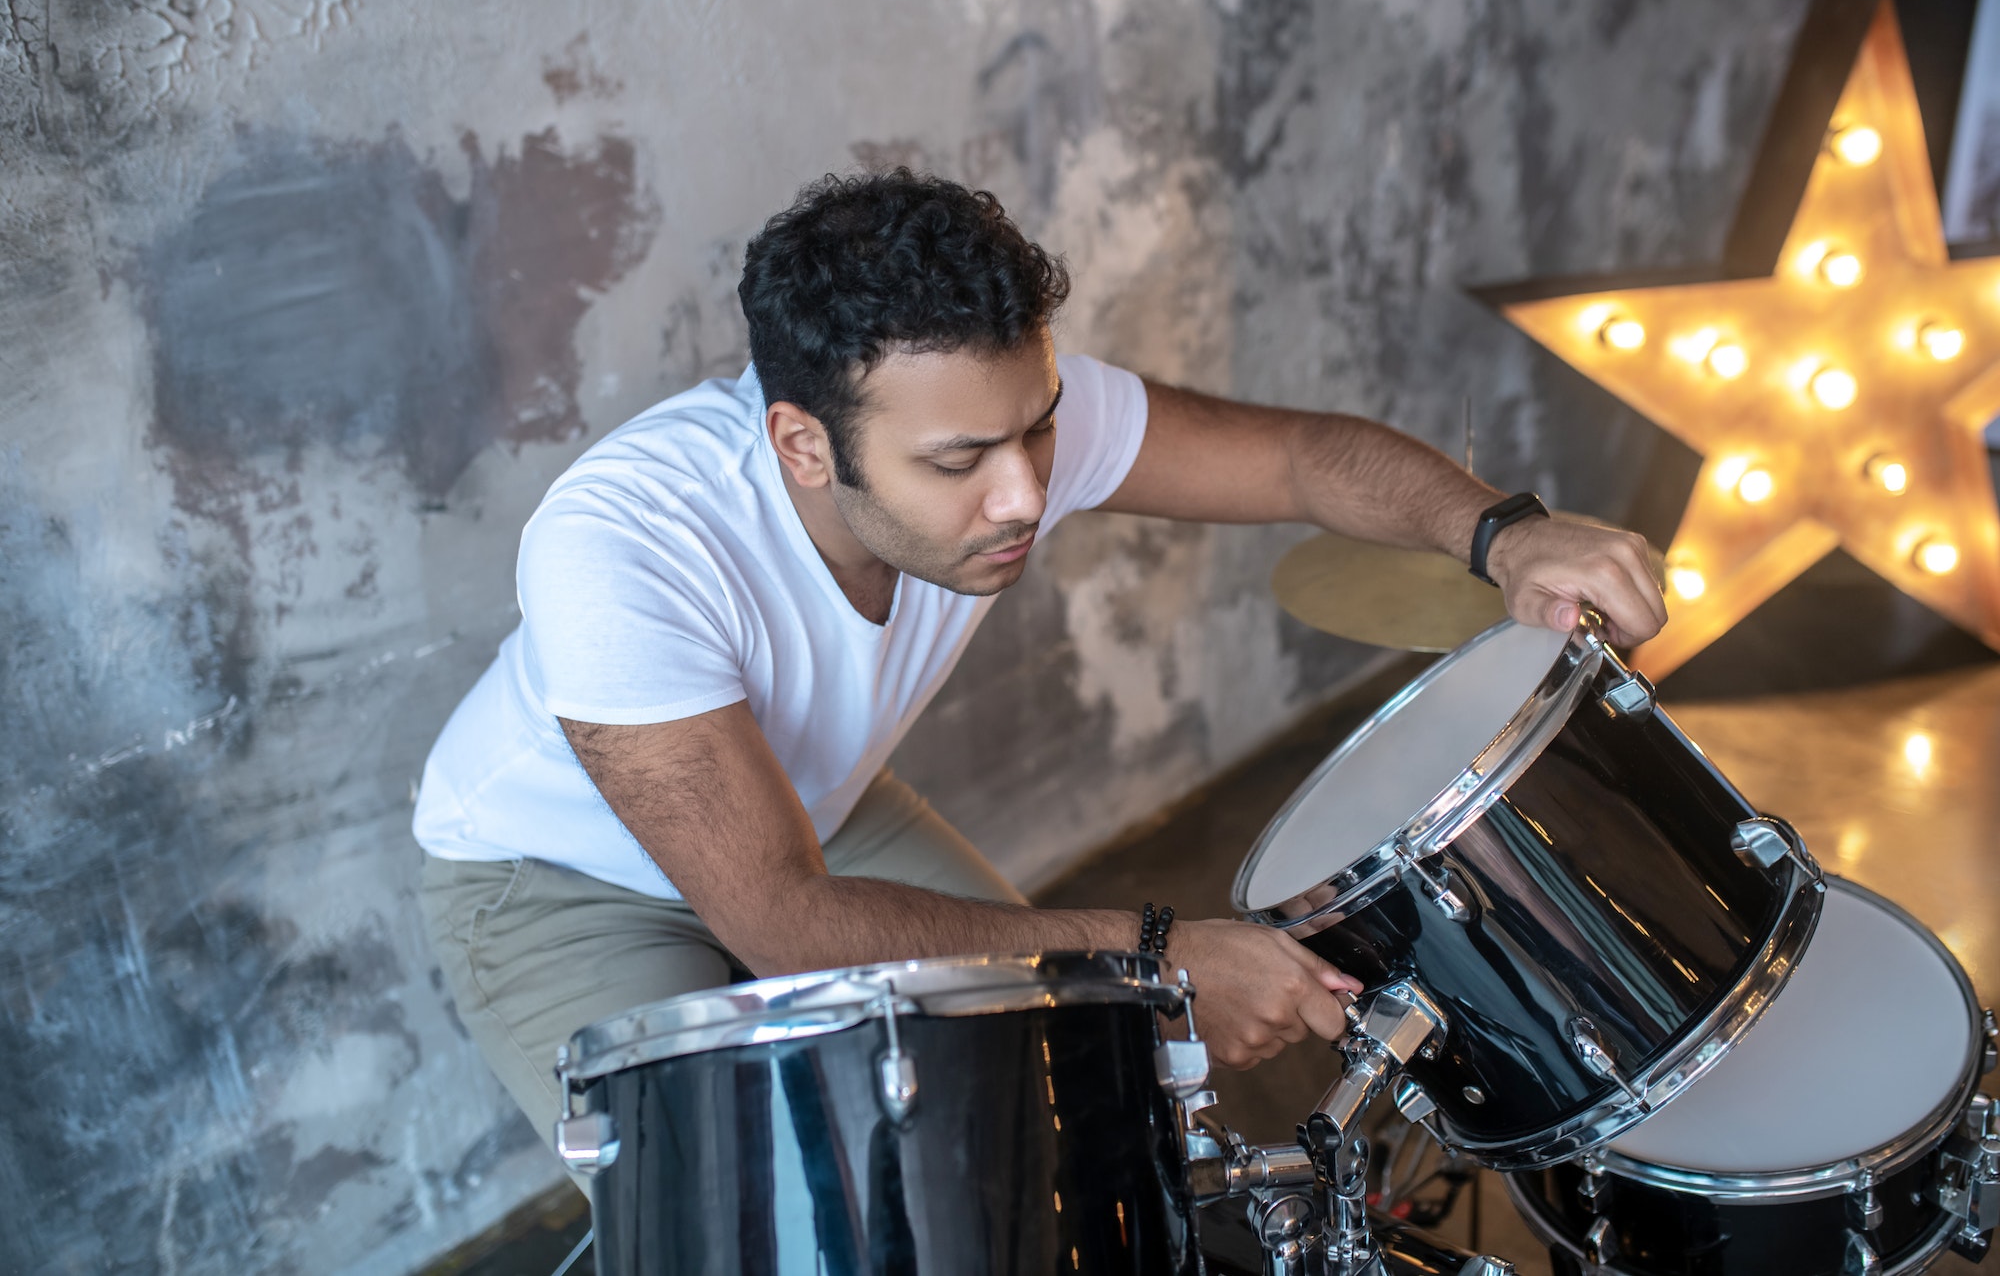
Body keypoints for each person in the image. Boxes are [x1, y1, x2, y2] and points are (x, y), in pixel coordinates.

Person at [412, 169, 1667, 1149]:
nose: (1023, 492)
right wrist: (1165, 948)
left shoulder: (1005, 416)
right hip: (559, 876)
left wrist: (1502, 531)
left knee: (1052, 1082)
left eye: (1039, 429)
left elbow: (1295, 458)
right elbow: (787, 921)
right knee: (737, 1203)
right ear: (802, 444)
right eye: (958, 463)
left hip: (812, 805)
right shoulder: (622, 542)